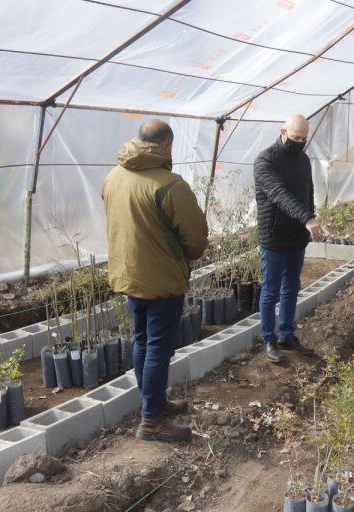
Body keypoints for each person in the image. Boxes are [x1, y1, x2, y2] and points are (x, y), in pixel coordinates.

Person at [102, 119, 208, 443]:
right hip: (161, 280)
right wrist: (185, 253)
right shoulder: (169, 185)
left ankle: (154, 403)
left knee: (143, 342)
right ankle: (151, 422)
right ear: (167, 146)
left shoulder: (113, 177)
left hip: (130, 275)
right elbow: (196, 238)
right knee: (159, 349)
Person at [254, 114, 324, 363]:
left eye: (304, 139)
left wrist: (311, 219)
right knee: (271, 289)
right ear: (282, 131)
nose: (300, 142)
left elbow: (308, 192)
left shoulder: (303, 160)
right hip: (274, 235)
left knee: (292, 287)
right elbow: (278, 194)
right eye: (296, 137)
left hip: (297, 237)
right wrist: (307, 218)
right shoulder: (265, 161)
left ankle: (287, 334)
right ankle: (269, 339)